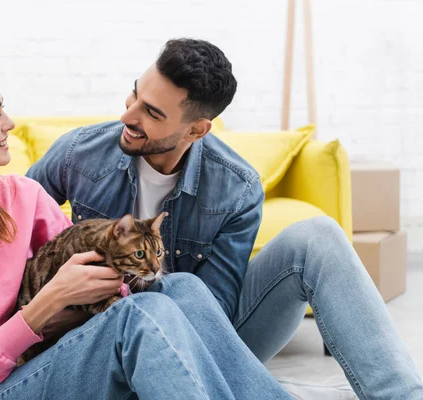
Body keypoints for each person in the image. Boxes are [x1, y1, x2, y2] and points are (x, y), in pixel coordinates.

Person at [0, 57, 295, 400]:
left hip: (50, 361)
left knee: (181, 288)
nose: (10, 124)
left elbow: (102, 283)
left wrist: (103, 286)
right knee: (138, 317)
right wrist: (46, 304)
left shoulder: (21, 197)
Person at [26, 38, 423, 399]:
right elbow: (7, 236)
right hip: (101, 333)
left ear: (196, 130)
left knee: (313, 238)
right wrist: (44, 307)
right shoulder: (79, 152)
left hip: (209, 336)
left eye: (150, 112)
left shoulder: (237, 187)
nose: (128, 116)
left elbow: (213, 310)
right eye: (134, 94)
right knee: (176, 289)